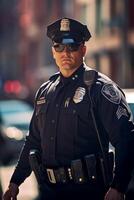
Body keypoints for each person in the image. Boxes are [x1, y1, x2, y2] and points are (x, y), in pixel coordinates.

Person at [3, 17, 134, 200]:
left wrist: (118, 187)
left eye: (72, 46)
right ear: (53, 51)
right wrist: (15, 182)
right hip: (48, 192)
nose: (65, 52)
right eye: (59, 46)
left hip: (89, 192)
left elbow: (125, 139)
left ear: (83, 50)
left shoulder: (99, 89)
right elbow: (33, 141)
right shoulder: (45, 92)